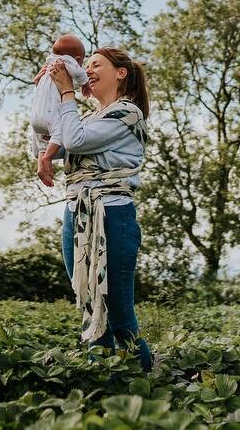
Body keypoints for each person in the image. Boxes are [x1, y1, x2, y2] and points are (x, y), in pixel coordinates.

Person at [47, 46, 153, 372]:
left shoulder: (127, 112)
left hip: (111, 214)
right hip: (77, 213)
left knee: (118, 313)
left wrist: (67, 92)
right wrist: (47, 93)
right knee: (91, 309)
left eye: (96, 64)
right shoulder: (90, 115)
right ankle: (101, 384)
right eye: (86, 65)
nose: (88, 69)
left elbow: (76, 141)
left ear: (120, 73)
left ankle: (148, 384)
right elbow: (51, 140)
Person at [29, 34, 88, 188]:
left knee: (44, 139)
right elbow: (79, 73)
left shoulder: (48, 64)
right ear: (77, 58)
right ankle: (46, 158)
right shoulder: (66, 62)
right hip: (49, 115)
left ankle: (41, 162)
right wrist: (85, 83)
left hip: (36, 117)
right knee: (60, 132)